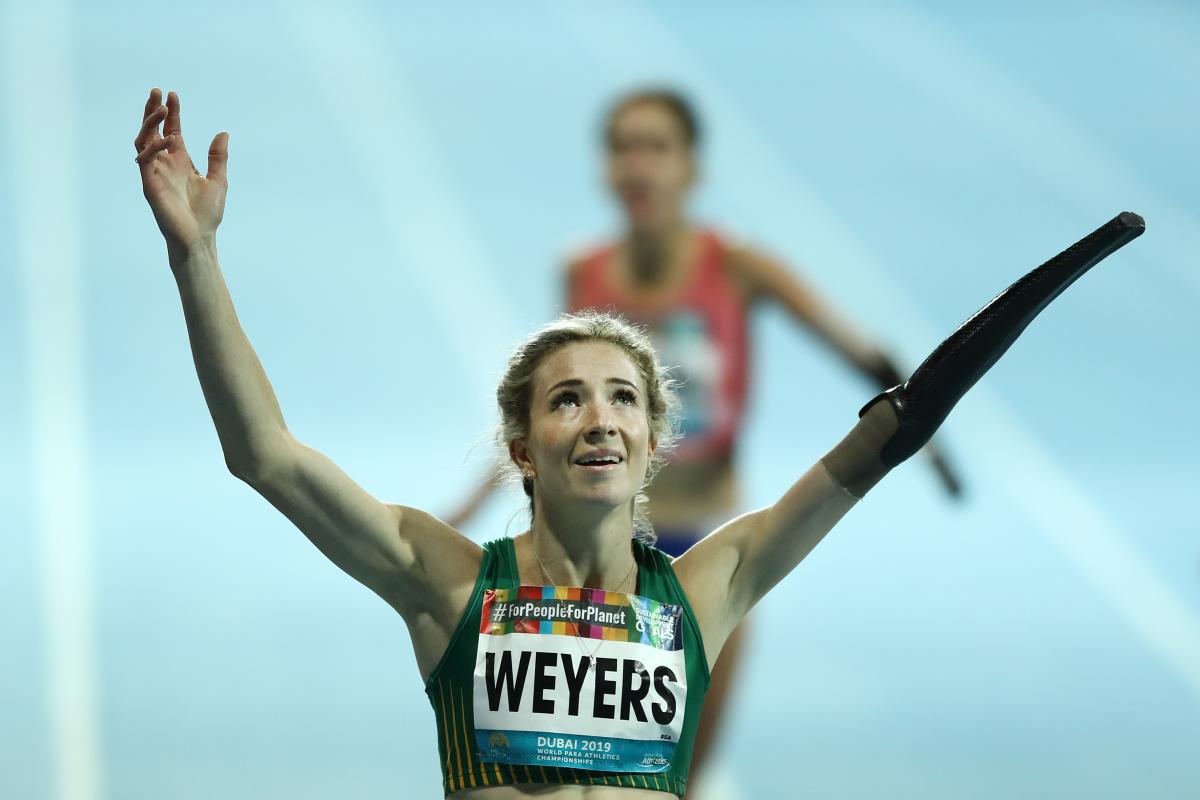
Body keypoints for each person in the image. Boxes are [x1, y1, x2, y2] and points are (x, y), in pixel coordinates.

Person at [134, 87, 1143, 798]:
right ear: (523, 445)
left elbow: (893, 425)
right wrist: (197, 256)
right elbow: (264, 451)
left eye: (623, 397)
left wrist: (1052, 279)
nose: (600, 415)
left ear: (651, 441)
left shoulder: (708, 587)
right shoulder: (444, 582)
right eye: (567, 398)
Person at [445, 87, 962, 785]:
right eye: (622, 148)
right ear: (605, 168)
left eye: (656, 147)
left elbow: (862, 353)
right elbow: (543, 407)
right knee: (579, 776)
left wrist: (929, 442)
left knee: (679, 775)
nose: (638, 165)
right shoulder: (583, 272)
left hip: (709, 549)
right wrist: (477, 498)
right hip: (603, 552)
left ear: (692, 167)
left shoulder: (740, 268)